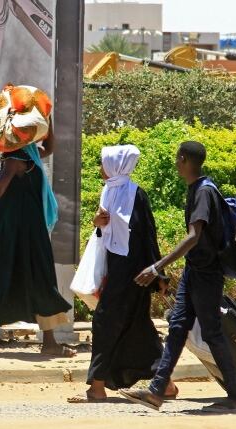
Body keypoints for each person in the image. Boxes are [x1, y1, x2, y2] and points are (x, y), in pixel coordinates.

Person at [119, 141, 236, 413]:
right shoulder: (198, 188)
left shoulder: (203, 192)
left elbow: (194, 236)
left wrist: (157, 267)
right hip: (195, 272)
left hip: (206, 274)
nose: (176, 163)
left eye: (178, 159)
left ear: (184, 159)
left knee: (211, 332)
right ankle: (156, 391)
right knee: (177, 327)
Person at [67, 144, 175, 403]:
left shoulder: (136, 195)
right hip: (116, 269)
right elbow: (106, 233)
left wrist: (158, 275)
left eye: (104, 164)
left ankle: (97, 386)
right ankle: (166, 384)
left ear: (116, 166)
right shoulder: (110, 191)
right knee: (137, 326)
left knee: (105, 323)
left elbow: (148, 237)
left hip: (134, 273)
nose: (101, 169)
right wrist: (98, 224)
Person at [0, 131, 75, 357]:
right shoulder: (15, 157)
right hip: (22, 231)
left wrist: (46, 121)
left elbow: (49, 146)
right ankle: (49, 343)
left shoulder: (30, 154)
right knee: (39, 276)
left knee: (13, 276)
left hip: (24, 229)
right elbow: (2, 183)